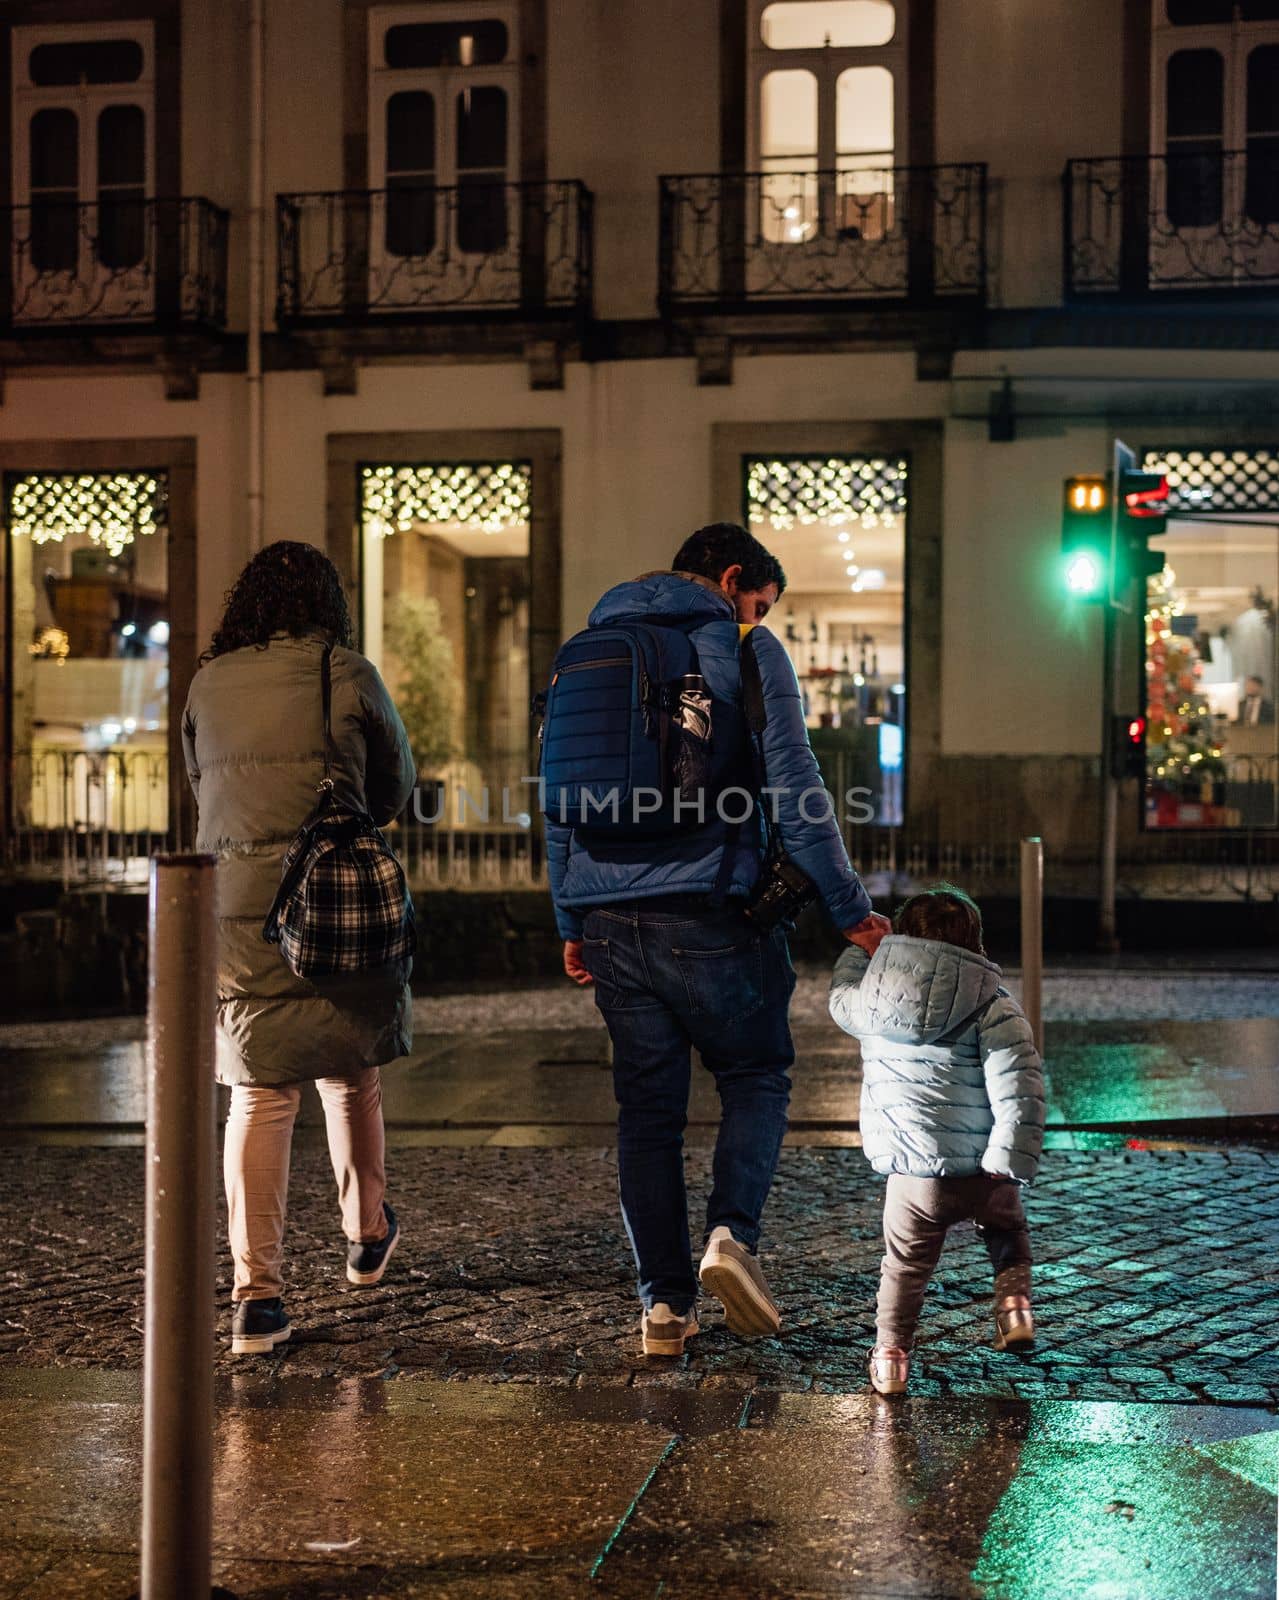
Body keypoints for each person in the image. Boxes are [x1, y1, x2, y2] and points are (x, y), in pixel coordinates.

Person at [547, 522, 889, 1357]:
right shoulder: (742, 649)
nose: (758, 616)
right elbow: (796, 783)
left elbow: (555, 794)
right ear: (734, 579)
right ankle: (731, 1237)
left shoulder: (587, 647)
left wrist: (568, 917)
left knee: (647, 1114)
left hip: (607, 918)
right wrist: (850, 907)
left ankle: (663, 1309)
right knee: (756, 1072)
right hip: (709, 909)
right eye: (759, 602)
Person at [181, 541, 416, 1355]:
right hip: (331, 890)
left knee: (260, 1090)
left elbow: (200, 787)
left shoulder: (207, 682)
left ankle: (258, 1296)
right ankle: (365, 1234)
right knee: (351, 1071)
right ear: (328, 602)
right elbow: (394, 786)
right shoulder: (343, 670)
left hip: (237, 902)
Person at [828, 884, 1045, 1395]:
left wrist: (861, 949)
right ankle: (1015, 1312)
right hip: (983, 1169)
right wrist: (1007, 1158)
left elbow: (839, 1000)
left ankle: (890, 1359)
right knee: (1009, 1238)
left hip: (913, 1176)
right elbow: (1019, 1086)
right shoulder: (994, 1004)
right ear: (975, 942)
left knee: (903, 1267)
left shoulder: (872, 1003)